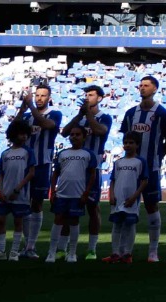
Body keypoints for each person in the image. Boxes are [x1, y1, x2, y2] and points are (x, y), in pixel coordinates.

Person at [117, 75, 166, 262]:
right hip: (130, 168)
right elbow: (126, 138)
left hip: (151, 167)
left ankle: (153, 251)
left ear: (155, 89)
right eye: (140, 85)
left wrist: (159, 156)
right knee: (127, 208)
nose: (142, 88)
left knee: (151, 206)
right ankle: (125, 252)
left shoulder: (162, 114)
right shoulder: (130, 113)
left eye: (146, 85)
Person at [13, 81, 61, 261]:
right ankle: (26, 245)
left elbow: (46, 124)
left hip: (43, 164)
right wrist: (22, 108)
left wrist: (31, 106)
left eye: (43, 96)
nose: (39, 98)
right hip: (24, 165)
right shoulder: (26, 116)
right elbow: (13, 130)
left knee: (37, 204)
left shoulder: (55, 114)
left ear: (49, 98)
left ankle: (31, 246)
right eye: (37, 95)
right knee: (24, 204)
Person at [72, 85, 114, 260]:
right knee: (70, 208)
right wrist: (80, 115)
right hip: (75, 168)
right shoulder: (80, 118)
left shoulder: (105, 117)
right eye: (86, 95)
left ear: (100, 98)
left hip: (93, 168)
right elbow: (66, 132)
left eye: (91, 95)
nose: (87, 97)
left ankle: (92, 248)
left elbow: (99, 131)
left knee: (93, 207)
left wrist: (86, 114)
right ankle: (66, 248)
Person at [48, 123, 99, 263]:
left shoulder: (88, 154)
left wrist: (86, 193)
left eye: (77, 134)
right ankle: (51, 252)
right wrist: (53, 191)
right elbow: (55, 174)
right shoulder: (62, 153)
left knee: (74, 222)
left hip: (77, 195)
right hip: (62, 194)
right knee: (58, 220)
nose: (74, 137)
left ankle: (72, 253)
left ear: (84, 137)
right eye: (72, 134)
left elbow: (92, 175)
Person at [0, 123, 32, 262]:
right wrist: (0, 190)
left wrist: (18, 189)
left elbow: (31, 172)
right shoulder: (5, 153)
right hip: (5, 194)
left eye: (25, 133)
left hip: (20, 195)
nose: (24, 136)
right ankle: (0, 251)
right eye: (21, 133)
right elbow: (1, 173)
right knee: (1, 221)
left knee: (18, 222)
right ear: (13, 135)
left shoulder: (28, 152)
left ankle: (14, 251)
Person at [106, 134, 146, 263]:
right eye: (126, 142)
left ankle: (127, 253)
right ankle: (115, 253)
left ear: (137, 145)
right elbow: (113, 180)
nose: (128, 145)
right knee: (117, 225)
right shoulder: (118, 162)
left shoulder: (140, 161)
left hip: (131, 200)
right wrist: (111, 195)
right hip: (118, 199)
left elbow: (144, 181)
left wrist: (134, 197)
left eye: (131, 142)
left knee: (130, 225)